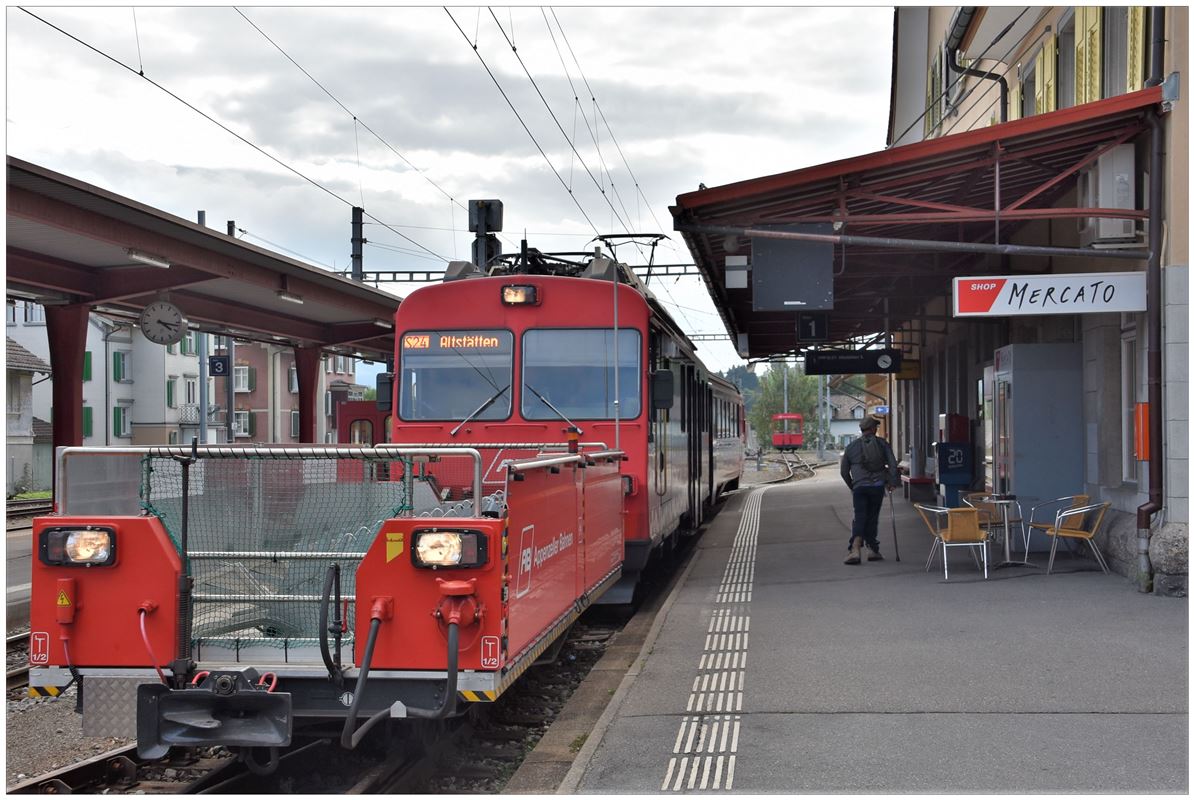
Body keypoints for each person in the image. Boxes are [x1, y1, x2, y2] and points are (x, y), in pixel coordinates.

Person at [839, 415, 900, 565]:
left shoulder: (851, 447)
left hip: (860, 487)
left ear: (861, 429)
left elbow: (844, 471)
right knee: (872, 517)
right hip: (877, 486)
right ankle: (872, 550)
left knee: (860, 516)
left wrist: (853, 486)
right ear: (873, 429)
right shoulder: (882, 444)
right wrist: (892, 482)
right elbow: (893, 464)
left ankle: (854, 549)